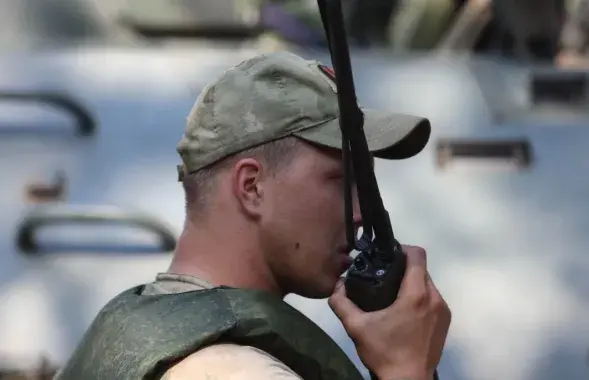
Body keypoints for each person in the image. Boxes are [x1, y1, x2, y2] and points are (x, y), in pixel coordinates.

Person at [54, 51, 451, 380]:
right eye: (339, 181)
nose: (361, 214)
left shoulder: (135, 326)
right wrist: (406, 370)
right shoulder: (233, 370)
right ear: (251, 187)